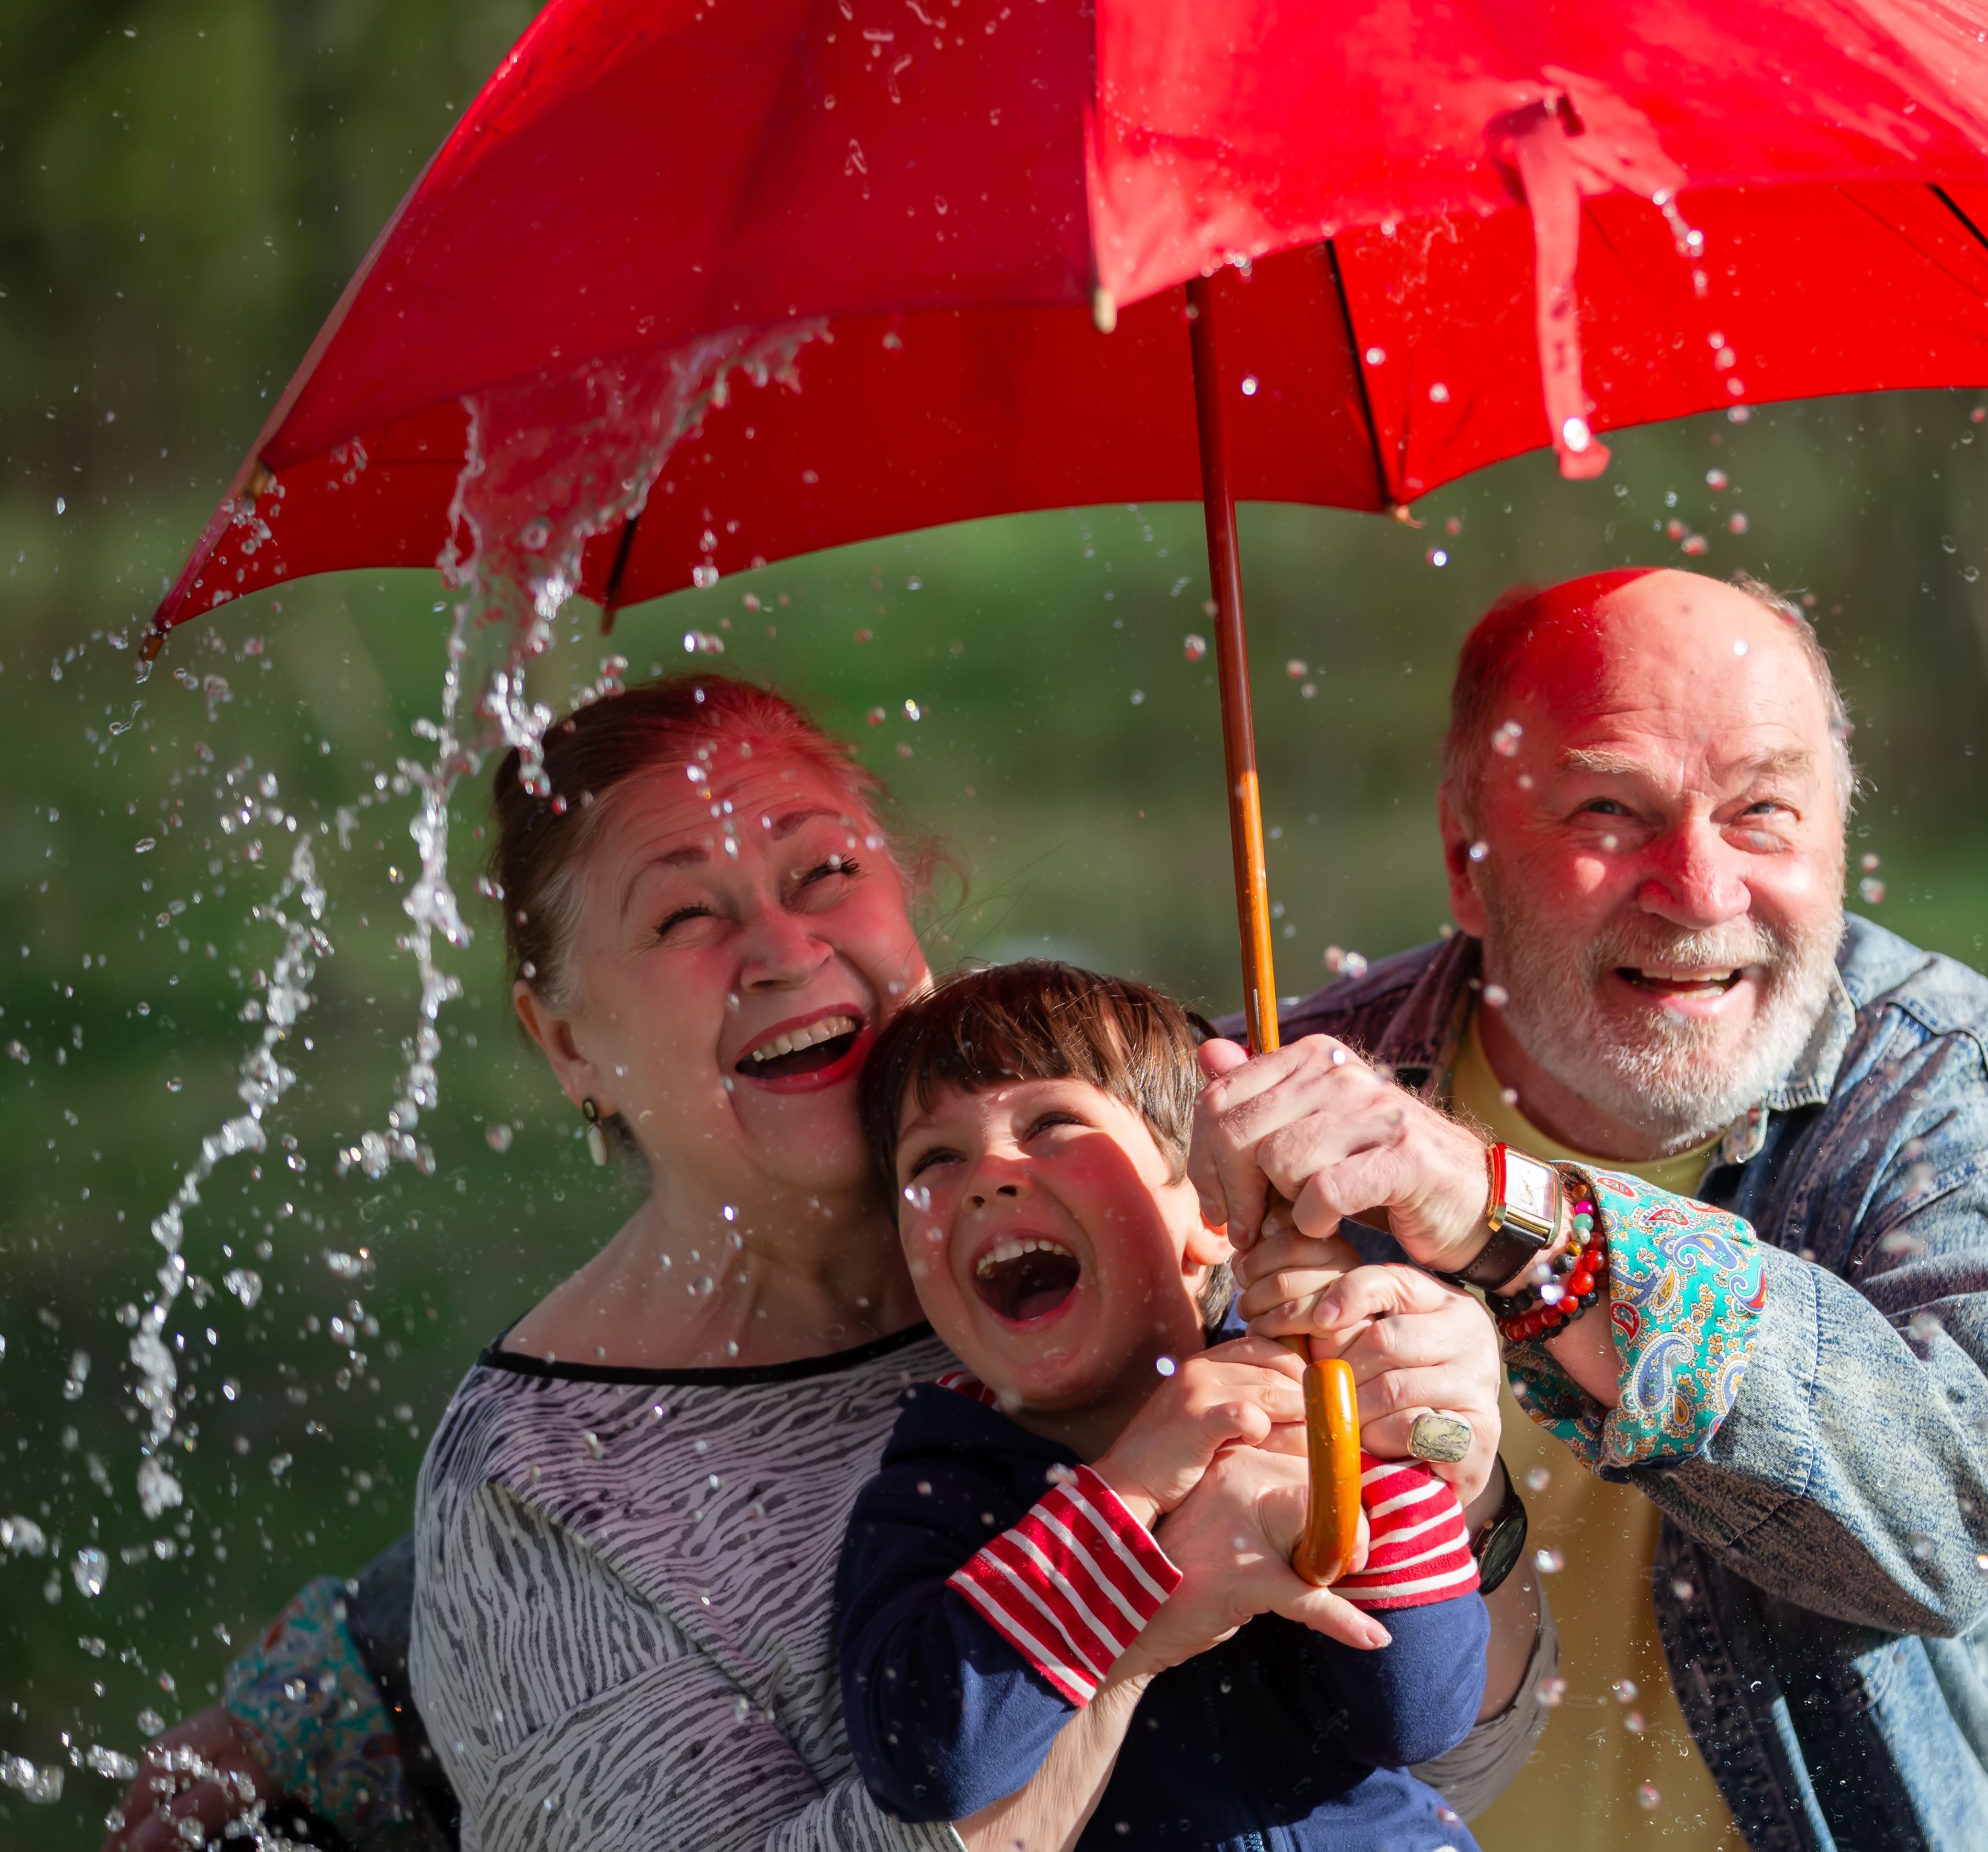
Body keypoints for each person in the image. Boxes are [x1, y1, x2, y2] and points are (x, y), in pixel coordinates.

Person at [107, 676, 1550, 1852]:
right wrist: (1126, 1626)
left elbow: (1458, 1754)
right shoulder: (540, 1485)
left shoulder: (1161, 1213)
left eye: (825, 872)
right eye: (684, 913)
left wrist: (1442, 1454)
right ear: (565, 1041)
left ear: (909, 917)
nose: (784, 948)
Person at [1196, 568, 1988, 1849]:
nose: (1696, 890)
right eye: (1609, 812)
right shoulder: (1287, 1106)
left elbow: (1953, 1525)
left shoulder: (1952, 1091)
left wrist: (1519, 1227)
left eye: (1763, 814)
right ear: (1468, 865)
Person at [835, 962, 1498, 1847]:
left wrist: (1359, 1441)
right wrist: (1129, 1499)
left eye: (1051, 1125)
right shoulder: (929, 1501)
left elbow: (1418, 1712)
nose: (990, 1173)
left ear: (1215, 1211)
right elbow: (929, 1765)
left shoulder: (1302, 1401)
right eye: (936, 1159)